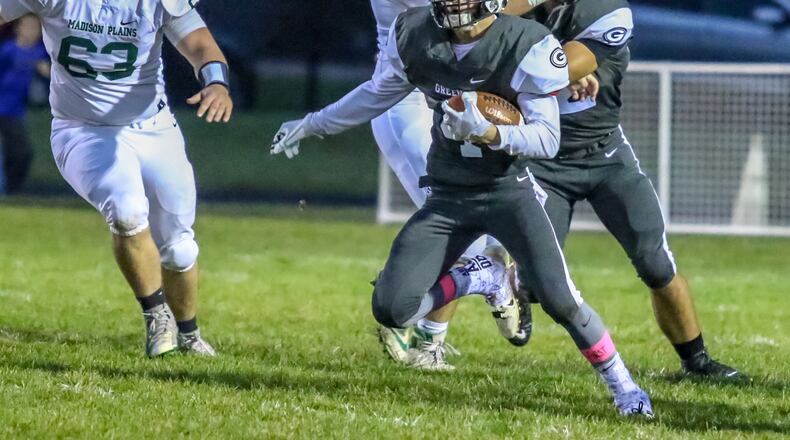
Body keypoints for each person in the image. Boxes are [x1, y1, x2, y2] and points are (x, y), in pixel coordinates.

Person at [272, 0, 654, 417]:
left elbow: (547, 140)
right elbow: (377, 94)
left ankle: (625, 387)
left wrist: (492, 133)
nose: (453, 2)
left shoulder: (528, 41)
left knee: (560, 300)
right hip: (449, 195)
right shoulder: (414, 32)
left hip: (509, 191)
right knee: (391, 306)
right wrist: (314, 123)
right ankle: (479, 278)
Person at [521, 0, 744, 379]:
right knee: (534, 281)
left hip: (605, 155)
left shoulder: (606, 11)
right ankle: (448, 323)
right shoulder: (516, 13)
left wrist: (550, 70)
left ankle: (697, 361)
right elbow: (482, 49)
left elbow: (563, 63)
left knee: (656, 263)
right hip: (543, 163)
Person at [0, 0, 234, 357]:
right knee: (126, 211)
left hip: (154, 129)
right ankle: (156, 315)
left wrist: (217, 83)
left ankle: (189, 335)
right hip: (82, 130)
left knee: (180, 247)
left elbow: (201, 44)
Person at [369, 0, 541, 371]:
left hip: (449, 93)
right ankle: (467, 295)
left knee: (483, 220)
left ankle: (431, 337)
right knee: (462, 225)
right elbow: (467, 16)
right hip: (412, 100)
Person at [0, 13, 48, 194]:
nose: (31, 31)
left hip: (15, 112)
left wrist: (47, 74)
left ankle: (11, 191)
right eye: (28, 26)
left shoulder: (41, 52)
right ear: (18, 28)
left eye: (35, 27)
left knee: (22, 153)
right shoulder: (7, 49)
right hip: (1, 107)